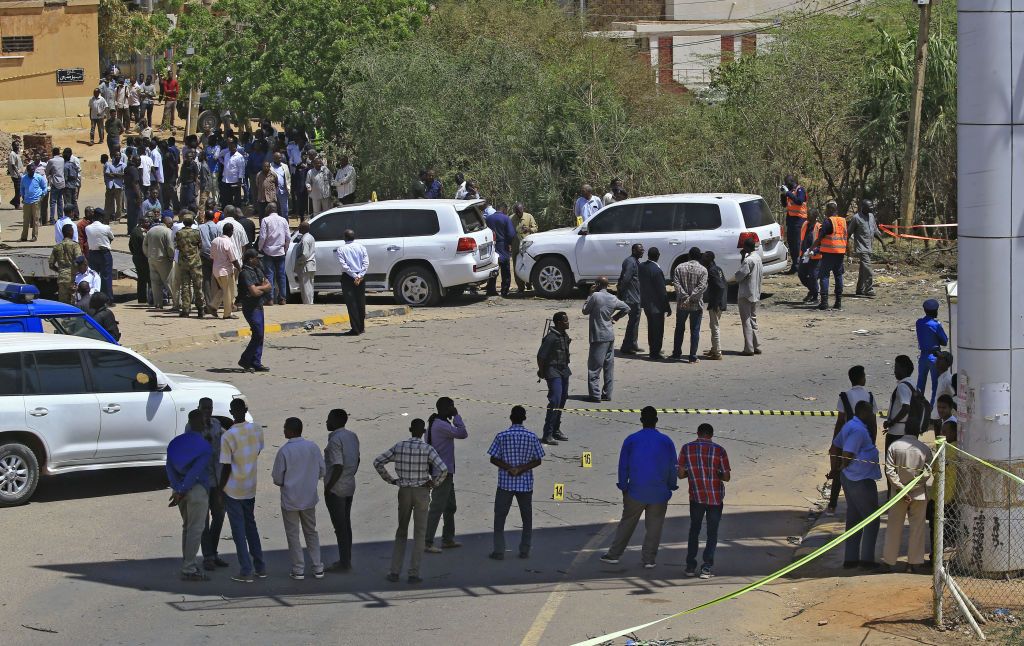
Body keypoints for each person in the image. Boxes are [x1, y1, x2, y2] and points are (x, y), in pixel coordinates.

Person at [600, 407, 678, 568]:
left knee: (627, 523)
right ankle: (649, 559)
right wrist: (670, 486)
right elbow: (673, 466)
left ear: (641, 421)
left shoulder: (631, 439)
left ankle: (614, 554)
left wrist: (623, 485)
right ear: (656, 421)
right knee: (655, 527)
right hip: (659, 492)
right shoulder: (666, 441)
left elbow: (623, 466)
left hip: (635, 491)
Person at [374, 418, 449, 584]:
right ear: (423, 432)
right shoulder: (427, 448)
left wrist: (391, 480)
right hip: (422, 491)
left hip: (404, 491)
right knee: (420, 533)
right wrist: (434, 483)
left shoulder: (399, 446)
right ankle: (413, 573)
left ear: (410, 429)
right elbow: (443, 469)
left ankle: (394, 571)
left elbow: (378, 462)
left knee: (401, 530)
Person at [271, 417, 326, 580]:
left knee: (293, 534)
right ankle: (317, 567)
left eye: (285, 427)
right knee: (311, 531)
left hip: (290, 499)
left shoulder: (284, 451)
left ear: (291, 431)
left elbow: (277, 478)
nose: (283, 430)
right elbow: (322, 470)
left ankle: (298, 569)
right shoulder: (312, 447)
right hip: (309, 497)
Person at [488, 405, 545, 560]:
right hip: (525, 484)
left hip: (505, 483)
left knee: (499, 517)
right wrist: (520, 469)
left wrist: (510, 468)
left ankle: (499, 551)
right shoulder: (531, 436)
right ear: (524, 418)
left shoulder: (502, 436)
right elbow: (538, 460)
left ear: (511, 418)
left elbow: (493, 458)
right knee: (527, 518)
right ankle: (524, 550)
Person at [219, 398, 266, 583]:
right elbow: (257, 451)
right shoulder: (257, 429)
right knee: (251, 525)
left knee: (238, 530)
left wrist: (220, 488)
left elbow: (226, 466)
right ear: (246, 409)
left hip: (233, 488)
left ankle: (246, 570)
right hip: (250, 486)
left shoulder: (228, 436)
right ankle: (260, 566)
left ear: (231, 412)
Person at [881, 413, 933, 574]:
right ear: (918, 432)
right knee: (917, 529)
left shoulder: (894, 446)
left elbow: (889, 470)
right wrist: (913, 487)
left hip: (898, 495)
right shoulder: (924, 449)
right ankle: (913, 564)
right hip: (918, 495)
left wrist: (901, 489)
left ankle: (889, 561)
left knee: (894, 528)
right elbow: (928, 472)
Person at [834, 400, 883, 569]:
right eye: (870, 413)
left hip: (852, 477)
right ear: (863, 412)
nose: (872, 416)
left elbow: (835, 445)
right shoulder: (857, 430)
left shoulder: (850, 425)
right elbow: (847, 452)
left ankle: (851, 558)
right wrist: (842, 466)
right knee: (871, 519)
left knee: (854, 518)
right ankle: (867, 560)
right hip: (859, 479)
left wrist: (838, 470)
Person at [678, 423, 731, 579]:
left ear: (698, 433)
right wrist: (716, 474)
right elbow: (727, 477)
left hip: (696, 496)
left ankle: (690, 566)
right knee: (712, 533)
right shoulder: (719, 450)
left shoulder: (686, 448)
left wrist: (693, 473)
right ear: (711, 435)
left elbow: (680, 474)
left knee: (694, 531)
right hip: (715, 498)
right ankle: (706, 567)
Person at [166, 409, 213, 581]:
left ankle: (187, 563)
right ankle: (189, 568)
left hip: (179, 490)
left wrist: (178, 489)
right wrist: (184, 489)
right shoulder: (204, 447)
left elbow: (169, 468)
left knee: (186, 526)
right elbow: (196, 472)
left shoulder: (175, 442)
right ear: (201, 424)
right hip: (196, 491)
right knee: (195, 529)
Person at [825, 365, 878, 515]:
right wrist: (872, 442)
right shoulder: (870, 396)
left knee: (840, 470)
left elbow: (840, 421)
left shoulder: (845, 396)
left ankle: (832, 506)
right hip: (865, 439)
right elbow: (873, 423)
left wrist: (834, 442)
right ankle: (865, 504)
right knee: (865, 472)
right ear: (862, 378)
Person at [422, 397, 468, 553]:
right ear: (445, 408)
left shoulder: (435, 424)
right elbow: (462, 433)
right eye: (451, 407)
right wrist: (457, 416)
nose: (453, 409)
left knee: (450, 506)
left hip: (443, 471)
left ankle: (448, 539)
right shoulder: (441, 425)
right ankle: (426, 541)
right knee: (437, 507)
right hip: (442, 472)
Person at [192, 397, 228, 571]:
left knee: (219, 516)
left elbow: (227, 439)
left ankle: (213, 552)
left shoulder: (216, 425)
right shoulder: (192, 425)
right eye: (204, 408)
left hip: (218, 479)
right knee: (203, 521)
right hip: (201, 481)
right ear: (199, 408)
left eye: (210, 408)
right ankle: (207, 556)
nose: (207, 411)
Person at [323, 409, 360, 572]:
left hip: (337, 488)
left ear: (336, 421)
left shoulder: (335, 440)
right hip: (349, 484)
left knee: (340, 526)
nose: (326, 422)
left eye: (329, 419)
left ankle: (344, 562)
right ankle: (347, 559)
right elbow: (357, 459)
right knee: (346, 524)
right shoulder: (352, 436)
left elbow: (337, 466)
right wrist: (350, 474)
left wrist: (328, 487)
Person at [582, 277, 629, 402]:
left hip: (598, 336)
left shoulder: (595, 296)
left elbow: (585, 311)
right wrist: (615, 318)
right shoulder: (613, 298)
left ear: (597, 284)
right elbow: (626, 308)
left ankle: (595, 395)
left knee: (594, 368)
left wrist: (589, 294)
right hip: (609, 335)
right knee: (608, 366)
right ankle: (607, 394)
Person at [537, 311, 572, 445]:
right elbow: (541, 356)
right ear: (559, 323)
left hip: (564, 370)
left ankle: (556, 429)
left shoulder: (563, 335)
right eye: (565, 321)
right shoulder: (551, 338)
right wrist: (542, 371)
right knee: (555, 400)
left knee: (562, 399)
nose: (568, 323)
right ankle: (548, 433)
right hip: (553, 371)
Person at [237, 249, 272, 372]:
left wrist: (260, 287)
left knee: (260, 335)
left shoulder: (258, 270)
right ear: (251, 259)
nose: (259, 260)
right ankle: (245, 359)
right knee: (258, 334)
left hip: (259, 305)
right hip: (250, 307)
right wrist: (262, 288)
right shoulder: (245, 273)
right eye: (257, 258)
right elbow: (254, 292)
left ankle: (256, 361)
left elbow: (269, 285)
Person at [671, 247, 708, 363]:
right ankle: (692, 356)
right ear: (699, 257)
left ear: (689, 256)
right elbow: (701, 287)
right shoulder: (703, 270)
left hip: (682, 304)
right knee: (695, 330)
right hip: (696, 305)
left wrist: (685, 298)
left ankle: (676, 353)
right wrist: (691, 298)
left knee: (679, 329)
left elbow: (676, 285)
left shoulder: (679, 268)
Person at [811, 201, 847, 311]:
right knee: (838, 275)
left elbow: (820, 238)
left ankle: (824, 302)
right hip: (840, 253)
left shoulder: (828, 222)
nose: (825, 212)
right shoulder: (843, 221)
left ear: (829, 210)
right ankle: (838, 302)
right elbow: (846, 236)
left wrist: (811, 248)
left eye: (826, 210)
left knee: (824, 276)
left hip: (829, 253)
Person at [639, 248, 671, 360]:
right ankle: (655, 352)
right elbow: (662, 291)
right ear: (658, 255)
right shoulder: (657, 270)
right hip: (657, 305)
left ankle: (653, 349)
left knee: (651, 328)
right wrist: (667, 306)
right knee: (658, 330)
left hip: (646, 303)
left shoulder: (642, 266)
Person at [335, 229, 369, 335]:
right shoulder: (361, 247)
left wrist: (354, 276)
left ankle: (355, 328)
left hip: (348, 277)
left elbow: (344, 265)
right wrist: (359, 276)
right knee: (361, 302)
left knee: (351, 303)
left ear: (344, 237)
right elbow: (366, 263)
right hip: (360, 277)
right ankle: (361, 327)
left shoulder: (341, 249)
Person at [735, 238, 763, 356]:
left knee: (746, 320)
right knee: (753, 319)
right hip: (755, 292)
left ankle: (749, 348)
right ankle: (756, 345)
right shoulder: (758, 258)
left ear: (746, 247)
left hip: (746, 293)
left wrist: (742, 258)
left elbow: (740, 276)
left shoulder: (748, 260)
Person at [916, 299, 949, 400]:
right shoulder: (935, 325)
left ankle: (918, 406)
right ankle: (932, 408)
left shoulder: (919, 322)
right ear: (935, 311)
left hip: (923, 356)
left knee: (920, 383)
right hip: (934, 357)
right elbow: (944, 341)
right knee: (935, 385)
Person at [884, 355, 917, 452]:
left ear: (904, 369)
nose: (894, 371)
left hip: (897, 433)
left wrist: (891, 422)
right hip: (908, 431)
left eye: (896, 367)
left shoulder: (902, 386)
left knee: (891, 463)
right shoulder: (912, 383)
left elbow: (906, 408)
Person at [175, 214, 205, 318]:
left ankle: (185, 310)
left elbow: (177, 246)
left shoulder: (179, 233)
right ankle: (200, 309)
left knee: (185, 286)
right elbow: (200, 245)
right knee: (198, 286)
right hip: (195, 263)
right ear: (192, 223)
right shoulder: (196, 233)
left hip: (184, 263)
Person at [848, 199, 880, 297]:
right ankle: (869, 289)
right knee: (868, 270)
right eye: (869, 206)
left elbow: (874, 230)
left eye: (872, 206)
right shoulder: (856, 218)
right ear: (863, 207)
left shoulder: (871, 217)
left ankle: (859, 289)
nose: (872, 208)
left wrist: (882, 242)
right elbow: (848, 233)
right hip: (861, 248)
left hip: (869, 246)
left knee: (863, 270)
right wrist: (846, 250)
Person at [258, 209, 290, 305]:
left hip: (268, 251)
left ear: (267, 210)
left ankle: (270, 299)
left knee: (269, 275)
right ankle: (282, 298)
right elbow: (288, 237)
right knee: (281, 276)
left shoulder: (265, 220)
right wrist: (285, 248)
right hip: (280, 251)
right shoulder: (283, 220)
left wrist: (260, 248)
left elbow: (262, 236)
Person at [211, 222, 242, 319]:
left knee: (223, 289)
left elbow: (212, 256)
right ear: (231, 232)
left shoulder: (215, 241)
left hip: (216, 270)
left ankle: (213, 305)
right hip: (226, 271)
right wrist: (240, 269)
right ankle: (227, 314)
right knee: (229, 292)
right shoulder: (228, 243)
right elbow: (233, 259)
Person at [618, 243, 644, 354]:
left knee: (635, 321)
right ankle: (626, 346)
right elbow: (626, 278)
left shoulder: (635, 261)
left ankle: (633, 344)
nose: (642, 251)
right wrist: (621, 293)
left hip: (636, 296)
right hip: (631, 297)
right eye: (640, 250)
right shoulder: (630, 262)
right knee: (633, 321)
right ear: (634, 250)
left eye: (643, 249)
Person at [144, 216, 175, 310]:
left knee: (155, 283)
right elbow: (170, 247)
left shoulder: (151, 230)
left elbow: (144, 245)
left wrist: (148, 255)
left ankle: (158, 304)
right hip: (164, 259)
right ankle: (177, 302)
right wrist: (171, 257)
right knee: (169, 282)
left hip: (152, 259)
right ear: (168, 223)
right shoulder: (167, 231)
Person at [485, 205, 516, 297]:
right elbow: (511, 233)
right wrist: (509, 243)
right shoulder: (506, 218)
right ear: (504, 209)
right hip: (503, 245)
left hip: (491, 246)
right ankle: (504, 291)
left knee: (492, 268)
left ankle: (491, 289)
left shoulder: (488, 218)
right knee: (505, 269)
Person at [701, 251, 727, 360]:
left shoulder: (711, 271)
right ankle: (714, 349)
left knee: (714, 327)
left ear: (709, 259)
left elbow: (720, 287)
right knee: (713, 325)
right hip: (720, 302)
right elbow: (724, 284)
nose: (702, 260)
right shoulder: (718, 269)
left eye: (704, 258)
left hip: (716, 303)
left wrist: (716, 303)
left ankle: (717, 352)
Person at [85, 208, 115, 300]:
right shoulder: (106, 227)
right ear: (101, 217)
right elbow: (112, 237)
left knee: (94, 276)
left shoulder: (87, 228)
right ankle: (107, 299)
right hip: (104, 254)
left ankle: (94, 298)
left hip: (92, 254)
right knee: (106, 276)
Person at [780, 174, 807, 274]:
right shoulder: (790, 192)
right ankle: (794, 266)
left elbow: (799, 201)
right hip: (791, 221)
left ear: (791, 183)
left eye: (786, 184)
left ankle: (799, 266)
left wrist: (788, 193)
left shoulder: (800, 190)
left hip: (799, 221)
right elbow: (784, 205)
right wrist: (783, 194)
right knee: (791, 243)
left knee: (797, 244)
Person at [49, 225, 82, 303]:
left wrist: (60, 271)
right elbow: (79, 259)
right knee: (74, 303)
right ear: (70, 232)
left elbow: (51, 265)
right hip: (72, 278)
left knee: (63, 304)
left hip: (61, 278)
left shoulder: (57, 247)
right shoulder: (75, 245)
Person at [510, 203, 538, 293]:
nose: (519, 213)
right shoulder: (511, 218)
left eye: (520, 211)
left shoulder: (529, 216)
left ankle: (529, 284)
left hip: (527, 246)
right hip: (515, 246)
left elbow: (535, 228)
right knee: (516, 266)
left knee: (528, 263)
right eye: (517, 212)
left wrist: (529, 229)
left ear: (523, 209)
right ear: (514, 211)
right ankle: (520, 287)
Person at [798, 210, 822, 303]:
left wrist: (814, 251)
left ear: (815, 217)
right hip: (804, 255)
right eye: (808, 216)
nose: (808, 218)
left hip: (815, 257)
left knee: (813, 276)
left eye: (810, 217)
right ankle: (813, 290)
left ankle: (815, 296)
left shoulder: (819, 227)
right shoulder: (805, 224)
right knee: (801, 275)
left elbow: (822, 244)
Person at [20, 162, 47, 242]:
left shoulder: (39, 177)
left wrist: (42, 195)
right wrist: (22, 195)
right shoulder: (24, 178)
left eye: (33, 170)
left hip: (36, 200)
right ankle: (24, 237)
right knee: (26, 219)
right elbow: (21, 188)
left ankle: (34, 236)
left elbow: (44, 187)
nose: (32, 172)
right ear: (27, 171)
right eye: (30, 170)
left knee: (35, 219)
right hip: (27, 201)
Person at [129, 218, 151, 304]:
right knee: (149, 278)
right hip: (143, 258)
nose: (148, 223)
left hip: (136, 257)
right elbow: (145, 245)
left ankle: (142, 299)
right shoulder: (141, 233)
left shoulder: (134, 230)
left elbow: (130, 245)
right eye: (146, 222)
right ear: (141, 222)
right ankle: (150, 298)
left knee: (141, 279)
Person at [294, 221, 317, 304]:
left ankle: (308, 305)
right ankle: (310, 303)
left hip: (305, 266)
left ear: (303, 228)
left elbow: (305, 254)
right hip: (311, 265)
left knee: (305, 288)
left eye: (299, 227)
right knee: (310, 286)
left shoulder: (305, 239)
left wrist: (298, 261)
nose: (298, 228)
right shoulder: (310, 237)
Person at [44, 147, 66, 224]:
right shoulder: (62, 160)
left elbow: (47, 172)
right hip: (62, 182)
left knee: (53, 202)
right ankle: (60, 217)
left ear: (53, 153)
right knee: (60, 201)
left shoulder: (51, 161)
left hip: (55, 182)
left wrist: (50, 174)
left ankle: (52, 219)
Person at [104, 152, 127, 223]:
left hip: (119, 186)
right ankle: (108, 217)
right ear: (113, 157)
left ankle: (117, 218)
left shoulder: (123, 165)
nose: (117, 156)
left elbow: (124, 175)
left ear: (120, 156)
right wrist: (118, 175)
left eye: (119, 155)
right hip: (110, 186)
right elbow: (107, 174)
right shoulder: (110, 164)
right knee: (108, 202)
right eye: (116, 155)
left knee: (119, 203)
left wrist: (113, 174)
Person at [270, 152, 291, 218]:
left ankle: (286, 225)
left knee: (285, 210)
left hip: (284, 191)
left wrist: (289, 187)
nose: (279, 159)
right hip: (274, 191)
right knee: (275, 210)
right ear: (273, 158)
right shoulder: (270, 166)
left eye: (280, 158)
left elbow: (288, 177)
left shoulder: (285, 166)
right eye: (277, 158)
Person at [8, 138, 23, 209]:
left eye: (18, 145)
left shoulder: (17, 153)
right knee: (18, 190)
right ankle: (16, 204)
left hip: (19, 174)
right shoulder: (12, 154)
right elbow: (13, 165)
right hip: (16, 175)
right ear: (13, 146)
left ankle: (14, 202)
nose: (18, 146)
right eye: (16, 145)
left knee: (20, 190)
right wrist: (18, 174)